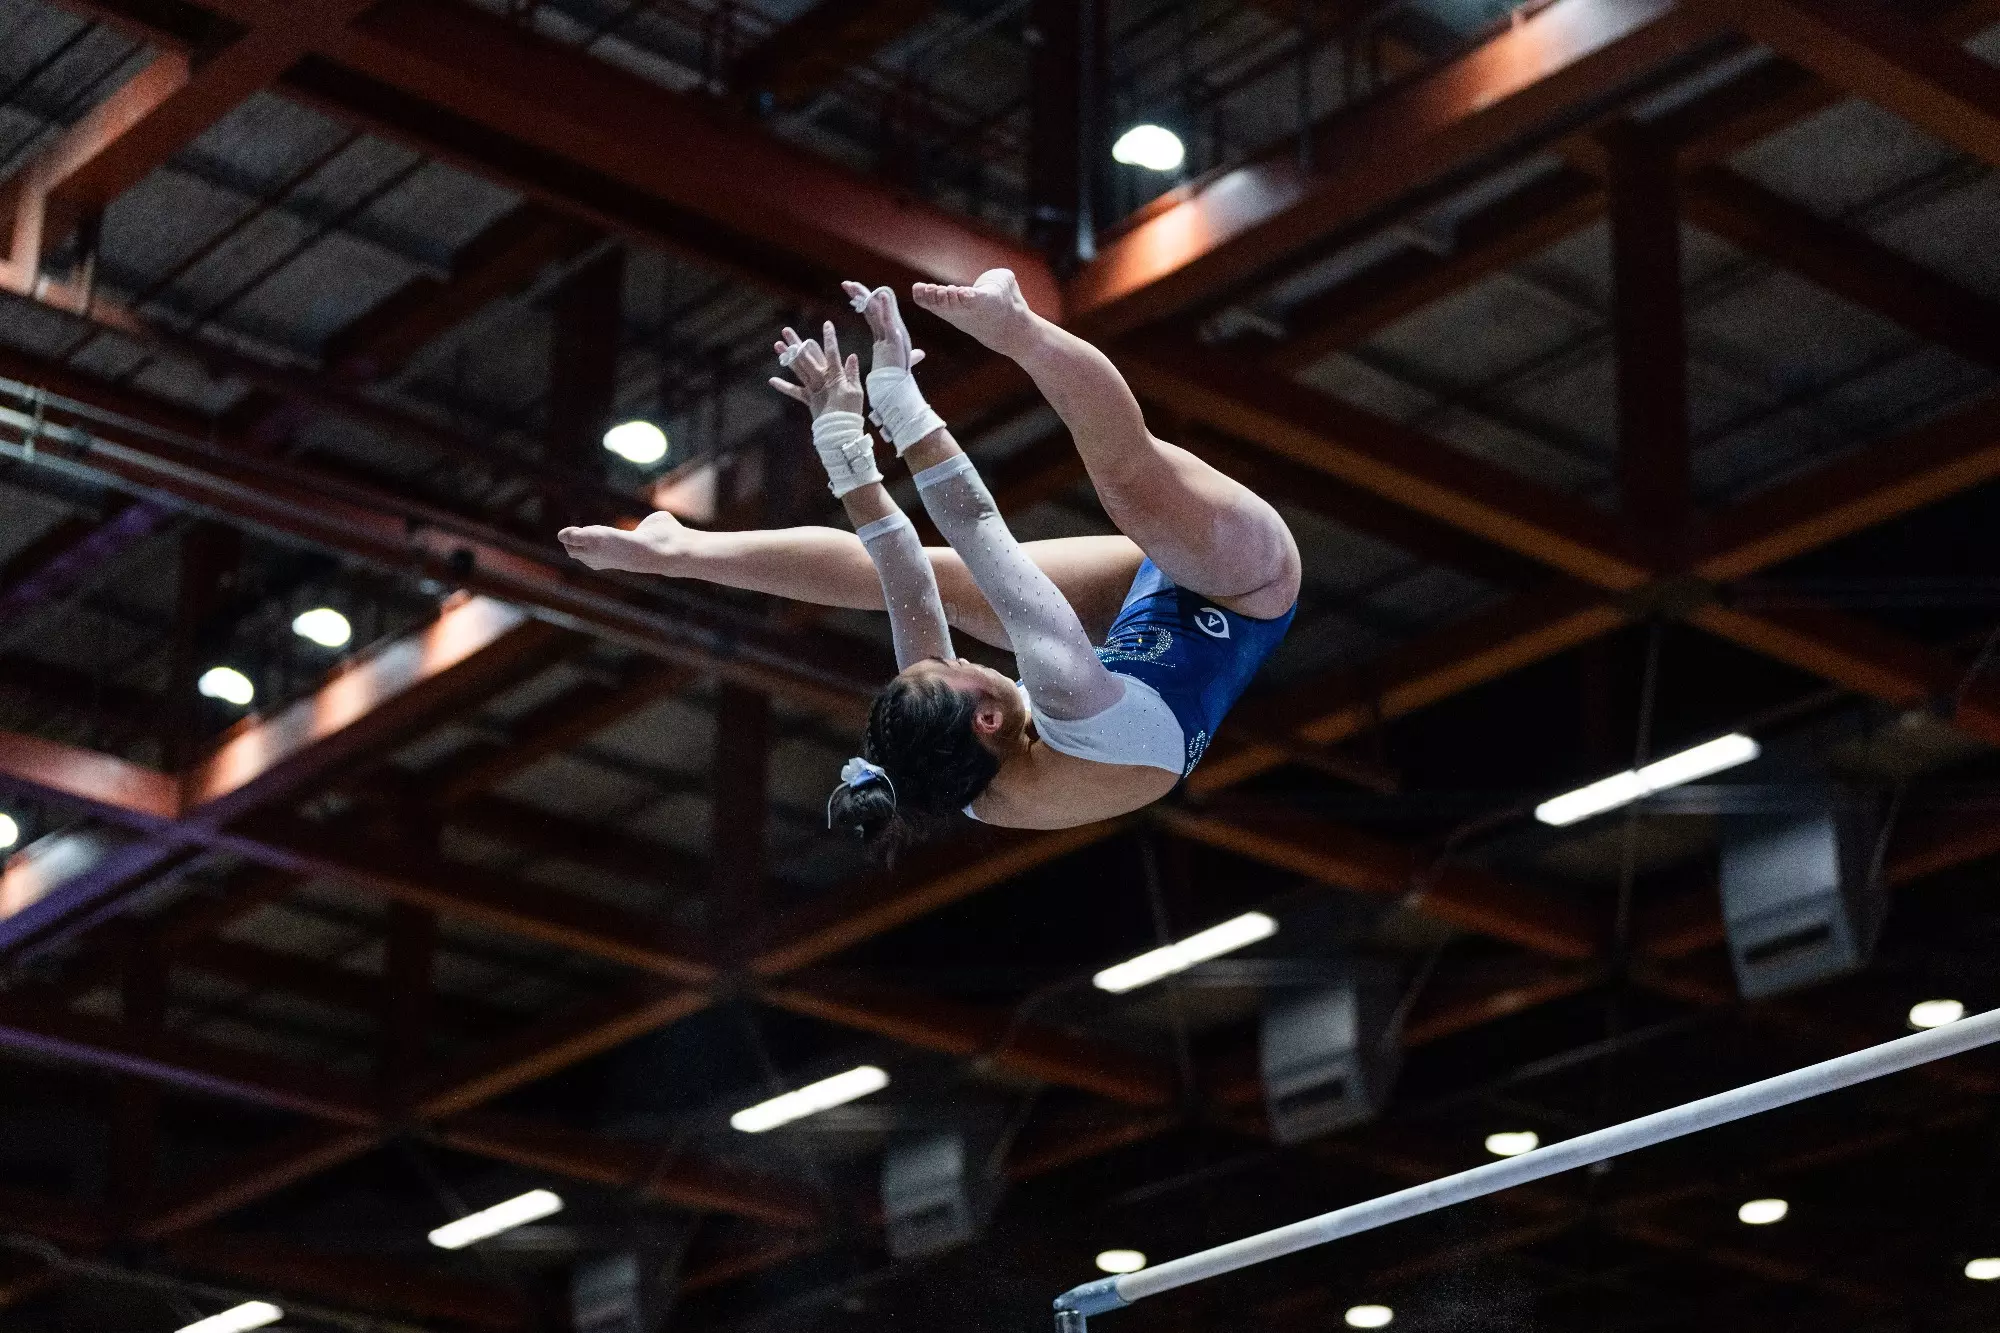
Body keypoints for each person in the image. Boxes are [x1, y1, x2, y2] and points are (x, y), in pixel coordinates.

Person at [559, 270, 1300, 850]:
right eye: (965, 669)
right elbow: (983, 529)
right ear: (983, 714)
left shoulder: (945, 757)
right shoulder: (1072, 707)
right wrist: (900, 399)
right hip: (1248, 592)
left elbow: (900, 565)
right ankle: (1023, 330)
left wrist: (842, 437)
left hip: (1137, 623)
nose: (974, 659)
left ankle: (680, 551)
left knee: (926, 585)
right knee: (1129, 490)